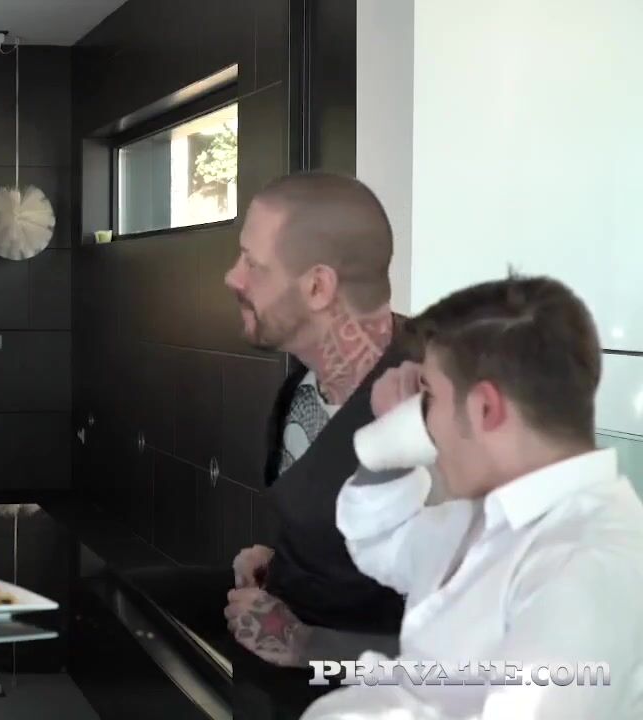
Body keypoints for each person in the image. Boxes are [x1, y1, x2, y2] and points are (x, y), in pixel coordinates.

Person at [303, 274, 643, 718]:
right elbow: (382, 541)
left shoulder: (587, 565)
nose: (422, 420)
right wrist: (391, 434)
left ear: (485, 408)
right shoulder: (487, 517)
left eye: (429, 396)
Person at [217, 172, 410, 665]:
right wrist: (285, 563)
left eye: (253, 265)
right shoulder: (304, 385)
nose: (233, 278)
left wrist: (306, 646)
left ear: (318, 287)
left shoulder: (443, 411)